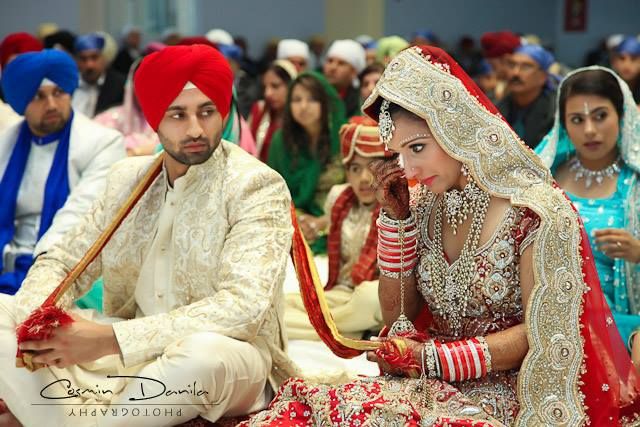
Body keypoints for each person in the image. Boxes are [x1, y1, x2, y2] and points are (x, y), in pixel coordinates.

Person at [242, 46, 640, 426]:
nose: (408, 168)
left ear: (457, 130)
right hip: (428, 383)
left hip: (508, 392)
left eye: (417, 147)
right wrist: (396, 223)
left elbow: (543, 330)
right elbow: (397, 316)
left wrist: (436, 360)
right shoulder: (424, 202)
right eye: (398, 153)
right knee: (307, 405)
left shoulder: (537, 211)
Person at [0, 44, 297, 427]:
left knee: (202, 355)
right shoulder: (128, 179)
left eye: (207, 113)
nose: (195, 129)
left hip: (227, 358)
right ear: (155, 119)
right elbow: (64, 258)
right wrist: (34, 320)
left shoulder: (255, 185)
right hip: (128, 355)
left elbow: (243, 308)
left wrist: (109, 340)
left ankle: (49, 415)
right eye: (178, 115)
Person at [536, 66, 640, 364]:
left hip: (625, 318)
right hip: (556, 319)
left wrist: (638, 252)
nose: (590, 131)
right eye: (577, 120)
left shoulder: (635, 182)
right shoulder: (546, 177)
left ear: (622, 116)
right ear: (564, 125)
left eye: (600, 116)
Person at [0, 49, 125, 295]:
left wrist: (43, 273)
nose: (52, 105)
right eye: (39, 96)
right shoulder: (5, 143)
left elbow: (80, 215)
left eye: (59, 93)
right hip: (7, 264)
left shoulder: (102, 143)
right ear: (22, 103)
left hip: (67, 266)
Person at [285, 116, 389, 342]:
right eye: (355, 168)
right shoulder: (339, 198)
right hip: (341, 293)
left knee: (371, 297)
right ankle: (349, 331)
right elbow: (323, 223)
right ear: (346, 172)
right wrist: (311, 228)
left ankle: (312, 326)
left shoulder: (398, 205)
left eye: (373, 167)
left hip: (372, 299)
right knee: (282, 302)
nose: (364, 178)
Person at [267, 71, 346, 253]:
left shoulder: (343, 138)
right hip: (293, 225)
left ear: (324, 103)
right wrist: (300, 221)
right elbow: (274, 192)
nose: (303, 106)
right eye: (296, 100)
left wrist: (323, 222)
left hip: (338, 226)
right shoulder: (282, 141)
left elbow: (355, 193)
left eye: (312, 99)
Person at [94, 58, 159, 156]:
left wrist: (134, 151)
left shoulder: (172, 120)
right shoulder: (106, 119)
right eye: (141, 83)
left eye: (152, 83)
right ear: (131, 86)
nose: (146, 90)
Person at [497, 44, 556, 149]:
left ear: (543, 77)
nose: (515, 73)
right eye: (512, 65)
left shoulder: (554, 113)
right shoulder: (498, 108)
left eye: (526, 66)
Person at [248, 59, 297, 162]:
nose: (267, 93)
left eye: (275, 86)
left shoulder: (299, 117)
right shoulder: (259, 110)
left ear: (291, 86)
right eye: (265, 87)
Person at [72, 33, 126, 117]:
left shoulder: (120, 86)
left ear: (104, 58)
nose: (89, 65)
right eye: (83, 59)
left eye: (94, 57)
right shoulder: (69, 85)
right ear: (76, 60)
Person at [324, 39, 366, 117]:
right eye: (330, 61)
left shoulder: (361, 100)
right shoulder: (314, 93)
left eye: (341, 63)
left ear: (354, 72)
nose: (332, 67)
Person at [480, 31, 521, 102]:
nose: (492, 71)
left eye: (493, 66)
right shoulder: (500, 83)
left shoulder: (520, 86)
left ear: (506, 59)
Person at [610, 36, 640, 105]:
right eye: (622, 58)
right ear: (614, 62)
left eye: (633, 59)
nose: (627, 65)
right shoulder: (608, 85)